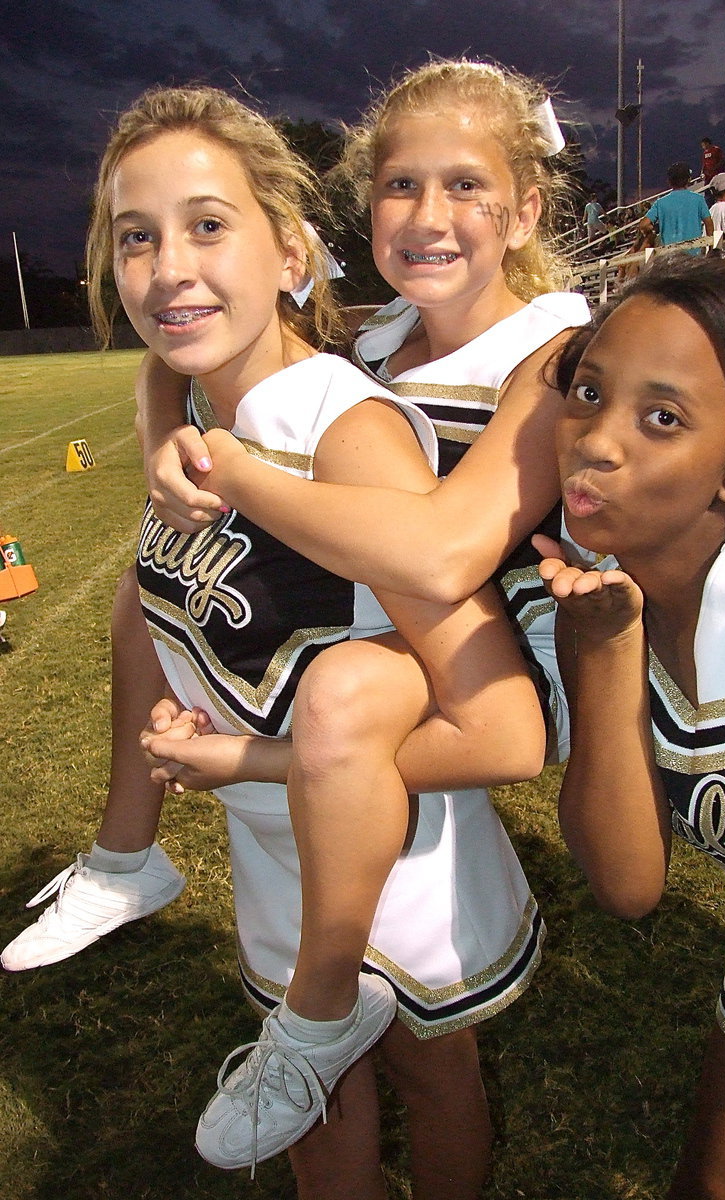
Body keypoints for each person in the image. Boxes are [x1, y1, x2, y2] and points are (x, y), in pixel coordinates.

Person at [6, 63, 588, 1196]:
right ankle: (126, 855)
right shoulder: (377, 352)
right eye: (135, 239)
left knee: (428, 1071)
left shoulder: (542, 356)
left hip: (420, 776)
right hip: (282, 824)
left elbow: (449, 583)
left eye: (468, 184)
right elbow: (215, 354)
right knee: (317, 1107)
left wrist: (224, 468)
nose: (168, 264)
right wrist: (162, 412)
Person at [536, 253, 725, 1200]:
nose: (596, 442)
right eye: (587, 392)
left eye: (661, 418)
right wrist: (605, 654)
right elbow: (626, 883)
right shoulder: (597, 608)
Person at [639, 162, 712, 253]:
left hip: (669, 257)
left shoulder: (660, 203)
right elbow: (709, 223)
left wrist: (652, 232)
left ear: (669, 181)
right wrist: (711, 248)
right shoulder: (698, 199)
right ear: (689, 180)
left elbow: (644, 224)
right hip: (694, 257)